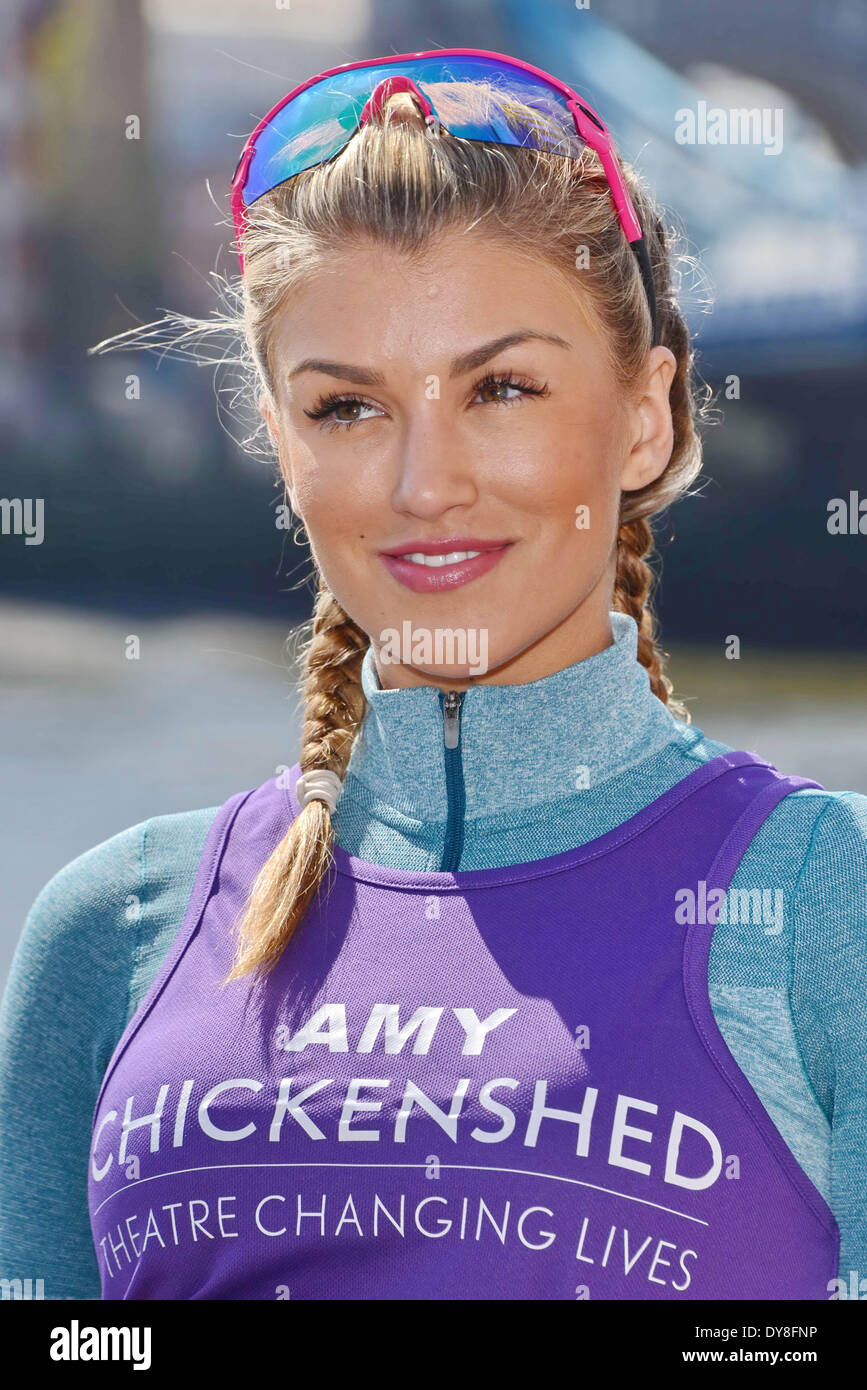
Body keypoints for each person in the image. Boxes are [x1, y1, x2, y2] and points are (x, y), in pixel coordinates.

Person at [1, 48, 864, 1302]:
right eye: (347, 407)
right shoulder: (111, 928)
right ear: (279, 442)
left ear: (646, 414)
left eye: (502, 387)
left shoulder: (823, 906)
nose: (424, 485)